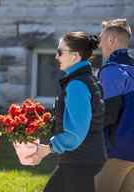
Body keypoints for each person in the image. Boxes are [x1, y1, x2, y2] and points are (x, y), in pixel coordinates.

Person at [27, 32, 106, 192]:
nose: (56, 57)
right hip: (80, 159)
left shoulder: (77, 85)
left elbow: (76, 133)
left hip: (81, 162)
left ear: (75, 56)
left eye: (60, 52)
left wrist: (49, 148)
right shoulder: (85, 79)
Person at [95, 18, 134, 192]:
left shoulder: (112, 71)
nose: (99, 44)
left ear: (111, 40)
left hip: (116, 152)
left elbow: (108, 115)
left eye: (101, 39)